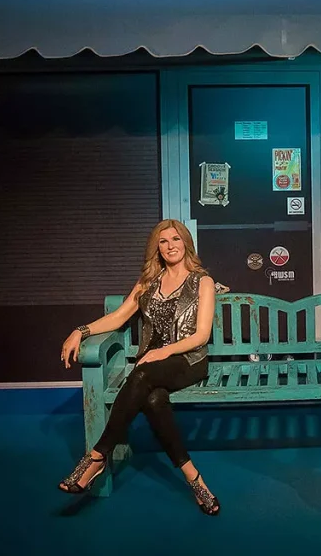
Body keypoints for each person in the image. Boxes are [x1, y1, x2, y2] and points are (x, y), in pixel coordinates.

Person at [57, 219, 220, 515]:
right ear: (156, 248)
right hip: (150, 365)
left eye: (175, 239)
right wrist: (80, 330)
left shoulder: (202, 282)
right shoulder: (148, 282)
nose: (170, 246)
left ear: (186, 243)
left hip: (187, 361)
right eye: (163, 241)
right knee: (154, 399)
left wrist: (162, 353)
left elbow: (201, 336)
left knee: (142, 374)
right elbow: (118, 318)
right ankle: (195, 480)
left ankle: (95, 456)